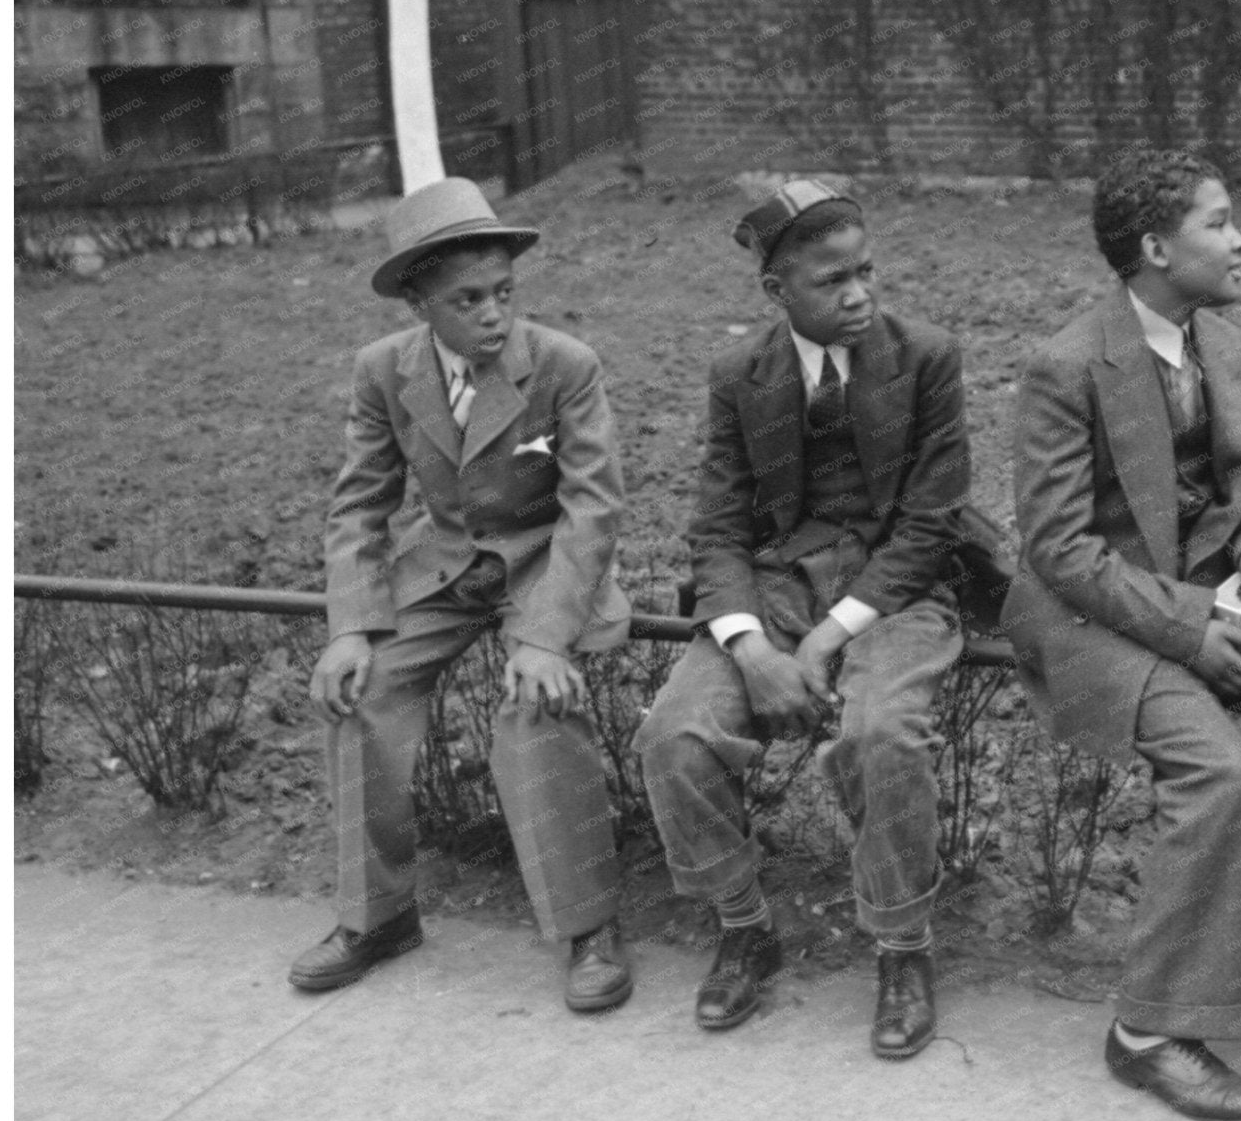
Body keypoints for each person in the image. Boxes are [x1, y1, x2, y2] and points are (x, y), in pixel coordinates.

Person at [1003, 148, 1241, 1121]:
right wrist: (1197, 627)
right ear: (1153, 246)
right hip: (1096, 613)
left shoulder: (1218, 342)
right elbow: (1057, 549)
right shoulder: (1063, 365)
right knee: (1218, 772)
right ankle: (1147, 1034)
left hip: (1203, 587)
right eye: (1218, 222)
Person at [636, 180, 969, 1060]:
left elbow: (931, 524)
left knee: (882, 733)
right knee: (674, 734)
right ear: (777, 291)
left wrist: (826, 640)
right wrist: (749, 647)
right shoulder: (741, 376)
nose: (859, 293)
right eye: (831, 281)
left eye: (866, 271)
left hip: (896, 588)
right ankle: (744, 922)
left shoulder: (927, 357)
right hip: (777, 585)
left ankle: (903, 945)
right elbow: (717, 525)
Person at [294, 177, 634, 1012]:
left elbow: (594, 506)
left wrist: (546, 637)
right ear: (419, 303)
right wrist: (349, 628)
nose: (493, 315)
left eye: (504, 294)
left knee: (535, 703)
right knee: (361, 692)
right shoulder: (383, 372)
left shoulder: (563, 365)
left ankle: (589, 925)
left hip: (546, 562)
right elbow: (360, 502)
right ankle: (377, 914)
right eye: (467, 299)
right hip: (444, 563)